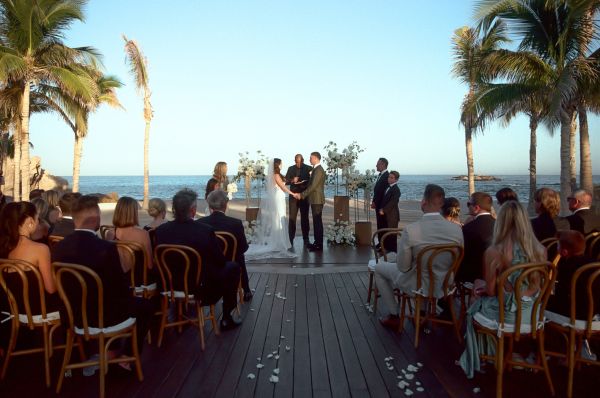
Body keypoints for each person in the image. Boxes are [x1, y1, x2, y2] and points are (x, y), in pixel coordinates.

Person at [51, 195, 154, 354]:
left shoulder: (58, 246)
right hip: (104, 317)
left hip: (73, 316)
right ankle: (126, 355)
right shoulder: (106, 248)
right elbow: (120, 286)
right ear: (95, 219)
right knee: (145, 306)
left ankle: (106, 351)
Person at [459, 201, 546, 379]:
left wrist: (491, 287)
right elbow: (536, 286)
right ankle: (504, 352)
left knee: (474, 303)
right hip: (532, 314)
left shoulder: (494, 251)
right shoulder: (540, 250)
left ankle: (487, 355)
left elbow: (491, 292)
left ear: (501, 222)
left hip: (505, 316)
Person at [376, 184, 464, 329]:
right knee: (421, 269)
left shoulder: (412, 230)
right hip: (445, 284)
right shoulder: (457, 230)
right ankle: (421, 313)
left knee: (379, 268)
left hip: (419, 284)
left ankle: (394, 315)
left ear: (423, 202)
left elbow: (403, 268)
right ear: (442, 204)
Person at [154, 189, 242, 330]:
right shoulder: (205, 231)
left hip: (169, 286)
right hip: (200, 289)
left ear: (174, 210)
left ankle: (177, 310)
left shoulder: (161, 231)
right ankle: (227, 317)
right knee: (232, 267)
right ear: (193, 210)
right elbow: (220, 261)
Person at [198, 190, 252, 301]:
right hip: (229, 263)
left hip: (208, 265)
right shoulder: (235, 223)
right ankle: (246, 290)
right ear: (225, 204)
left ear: (209, 205)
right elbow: (243, 248)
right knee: (240, 256)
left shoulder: (200, 222)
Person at [0, 201, 56, 296]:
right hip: (34, 308)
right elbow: (50, 289)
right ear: (30, 221)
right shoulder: (40, 249)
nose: (38, 222)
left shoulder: (4, 244)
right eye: (37, 218)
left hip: (6, 306)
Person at [247, 159, 297, 259]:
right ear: (278, 165)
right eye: (281, 163)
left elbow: (283, 184)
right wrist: (293, 194)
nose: (282, 165)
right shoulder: (276, 175)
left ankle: (281, 241)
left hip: (279, 196)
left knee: (279, 217)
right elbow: (282, 187)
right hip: (278, 197)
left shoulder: (276, 175)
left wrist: (292, 181)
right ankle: (279, 242)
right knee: (278, 217)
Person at [546, 230, 598, 319]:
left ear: (564, 252)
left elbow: (561, 296)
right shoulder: (594, 263)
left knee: (541, 301)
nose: (556, 247)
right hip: (596, 310)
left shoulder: (567, 267)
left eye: (558, 245)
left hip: (577, 314)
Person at [106, 196, 154, 273]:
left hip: (119, 277)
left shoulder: (110, 233)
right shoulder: (143, 234)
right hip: (138, 280)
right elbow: (149, 265)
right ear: (133, 213)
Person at [456, 192, 495, 284]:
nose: (467, 206)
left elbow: (463, 252)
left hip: (474, 274)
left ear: (476, 208)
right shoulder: (501, 225)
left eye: (469, 204)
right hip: (497, 272)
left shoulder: (468, 228)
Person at [295, 152, 326, 252]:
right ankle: (317, 243)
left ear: (316, 158)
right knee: (317, 222)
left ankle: (319, 245)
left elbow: (313, 186)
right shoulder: (315, 169)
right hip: (314, 199)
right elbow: (311, 184)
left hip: (317, 199)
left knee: (317, 223)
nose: (309, 160)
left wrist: (302, 195)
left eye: (311, 158)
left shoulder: (318, 170)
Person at [285, 154, 312, 247]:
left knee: (305, 218)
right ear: (295, 160)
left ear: (303, 160)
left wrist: (305, 181)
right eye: (297, 161)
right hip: (293, 196)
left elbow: (313, 180)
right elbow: (286, 181)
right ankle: (290, 239)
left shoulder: (309, 168)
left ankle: (306, 238)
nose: (298, 163)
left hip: (304, 196)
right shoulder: (290, 168)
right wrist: (292, 180)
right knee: (292, 217)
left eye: (300, 161)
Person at [378, 170, 401, 252]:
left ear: (396, 180)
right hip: (385, 214)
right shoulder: (388, 187)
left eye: (392, 178)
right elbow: (384, 200)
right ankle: (385, 249)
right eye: (389, 177)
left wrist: (383, 210)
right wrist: (381, 208)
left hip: (392, 216)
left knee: (392, 235)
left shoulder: (396, 190)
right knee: (386, 233)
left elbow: (393, 202)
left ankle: (393, 252)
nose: (389, 179)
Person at [371, 158, 390, 245]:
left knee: (383, 224)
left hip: (382, 206)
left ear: (383, 165)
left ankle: (383, 243)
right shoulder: (381, 175)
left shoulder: (387, 176)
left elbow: (383, 192)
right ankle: (380, 242)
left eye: (378, 164)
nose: (376, 165)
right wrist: (374, 201)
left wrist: (377, 203)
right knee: (379, 223)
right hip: (378, 204)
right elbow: (377, 190)